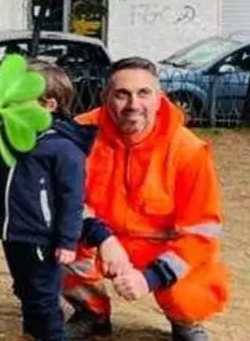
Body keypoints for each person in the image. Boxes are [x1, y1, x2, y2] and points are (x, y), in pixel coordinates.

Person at [66, 57, 229, 341]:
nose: (133, 104)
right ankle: (91, 312)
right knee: (51, 240)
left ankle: (184, 320)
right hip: (99, 242)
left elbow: (201, 234)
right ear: (105, 98)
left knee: (192, 282)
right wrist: (102, 238)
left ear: (159, 98)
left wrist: (149, 278)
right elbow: (63, 201)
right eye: (121, 94)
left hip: (161, 249)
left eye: (144, 93)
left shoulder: (188, 150)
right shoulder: (79, 134)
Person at [0, 61, 94, 341]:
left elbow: (72, 198)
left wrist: (68, 241)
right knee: (25, 290)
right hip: (13, 234)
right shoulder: (11, 139)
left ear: (49, 105)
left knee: (43, 299)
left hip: (40, 238)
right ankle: (32, 333)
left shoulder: (63, 148)